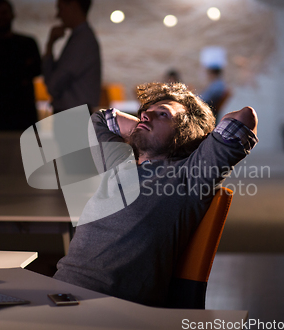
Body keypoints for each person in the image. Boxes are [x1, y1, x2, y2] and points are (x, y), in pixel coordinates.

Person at [53, 82, 258, 307]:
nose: (145, 116)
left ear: (186, 131)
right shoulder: (118, 163)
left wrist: (188, 140)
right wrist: (146, 129)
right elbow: (100, 119)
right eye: (144, 113)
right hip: (60, 293)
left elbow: (244, 117)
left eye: (162, 114)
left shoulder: (191, 173)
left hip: (110, 308)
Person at [0, 0, 42, 130]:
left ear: (12, 14)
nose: (0, 17)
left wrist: (2, 71)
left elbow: (37, 70)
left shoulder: (28, 43)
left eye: (4, 13)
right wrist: (21, 68)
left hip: (25, 116)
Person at [43, 0, 101, 114]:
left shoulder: (82, 41)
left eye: (60, 8)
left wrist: (49, 45)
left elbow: (54, 85)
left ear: (73, 5)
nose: (58, 15)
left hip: (72, 114)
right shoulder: (82, 38)